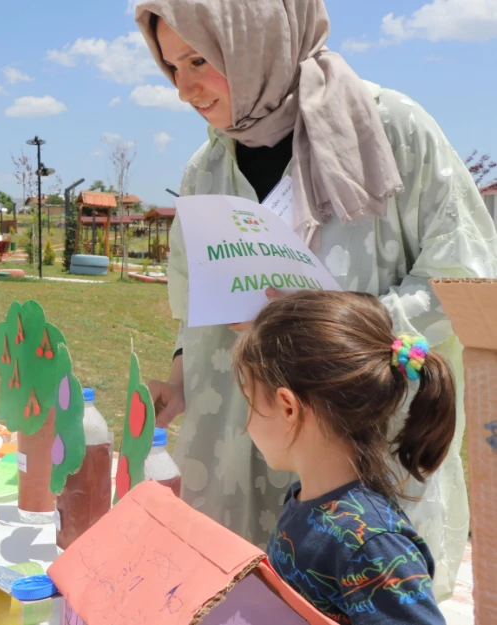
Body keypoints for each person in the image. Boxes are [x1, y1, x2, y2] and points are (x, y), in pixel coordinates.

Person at [136, 0, 496, 599]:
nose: (184, 89)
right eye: (171, 66)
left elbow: (464, 276)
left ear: (257, 40)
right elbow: (197, 310)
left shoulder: (389, 129)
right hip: (233, 442)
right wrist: (175, 382)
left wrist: (333, 328)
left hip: (358, 456)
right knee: (244, 598)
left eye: (199, 58)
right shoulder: (207, 168)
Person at [233, 291, 450, 624]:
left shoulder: (373, 544)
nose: (246, 426)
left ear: (288, 407)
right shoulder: (305, 499)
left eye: (250, 403)